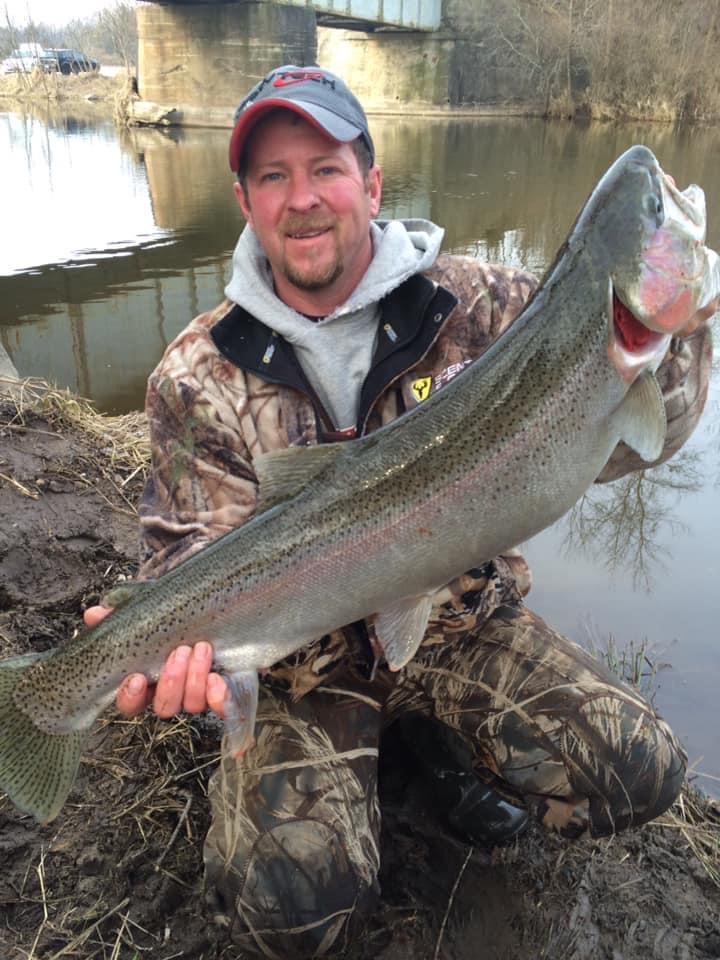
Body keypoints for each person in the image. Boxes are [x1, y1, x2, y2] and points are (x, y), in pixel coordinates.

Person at [85, 65, 714, 958]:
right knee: (300, 912)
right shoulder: (195, 376)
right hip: (304, 663)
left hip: (457, 622)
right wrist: (151, 645)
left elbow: (634, 443)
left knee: (640, 771)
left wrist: (682, 331)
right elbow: (192, 554)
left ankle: (423, 747)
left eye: (327, 168)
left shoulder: (486, 306)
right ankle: (378, 757)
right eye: (274, 176)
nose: (303, 199)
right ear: (245, 200)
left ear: (372, 183)